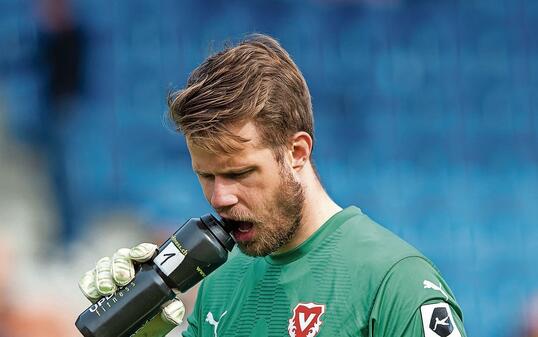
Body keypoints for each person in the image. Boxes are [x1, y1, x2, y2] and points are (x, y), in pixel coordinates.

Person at [79, 34, 467, 337]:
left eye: (239, 173)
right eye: (206, 176)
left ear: (297, 151)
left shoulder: (394, 281)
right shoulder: (220, 282)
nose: (220, 198)